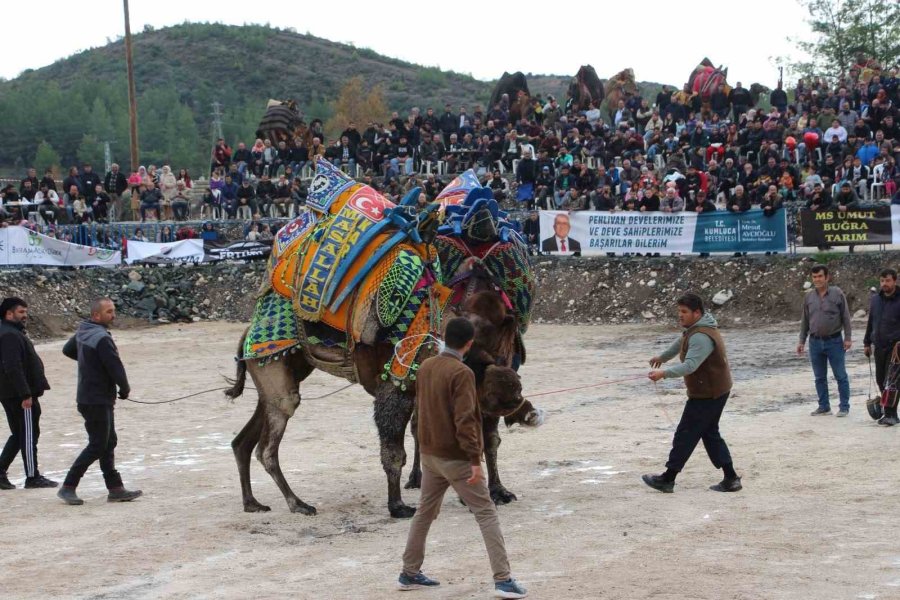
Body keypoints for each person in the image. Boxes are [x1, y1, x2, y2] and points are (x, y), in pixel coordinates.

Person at [398, 317, 527, 599]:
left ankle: (409, 572)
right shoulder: (463, 373)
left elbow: (422, 409)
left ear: (444, 337)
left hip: (430, 456)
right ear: (469, 345)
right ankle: (503, 580)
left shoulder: (426, 366)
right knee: (486, 513)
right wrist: (474, 462)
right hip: (455, 458)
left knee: (424, 513)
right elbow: (466, 420)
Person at [643, 293, 741, 494]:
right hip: (714, 390)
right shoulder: (695, 329)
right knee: (710, 434)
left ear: (697, 313)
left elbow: (690, 365)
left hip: (709, 393)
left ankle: (668, 479)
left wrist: (663, 373)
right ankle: (731, 478)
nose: (680, 315)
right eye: (679, 311)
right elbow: (680, 343)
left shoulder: (701, 336)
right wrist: (662, 357)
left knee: (686, 434)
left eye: (684, 312)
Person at [58, 298, 142, 505]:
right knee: (98, 444)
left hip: (89, 396)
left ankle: (115, 488)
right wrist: (124, 387)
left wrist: (90, 363)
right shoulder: (102, 338)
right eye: (109, 312)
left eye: (113, 310)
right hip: (97, 399)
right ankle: (68, 486)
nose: (113, 315)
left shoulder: (84, 330)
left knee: (108, 441)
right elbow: (115, 366)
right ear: (96, 315)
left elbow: (68, 350)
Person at [0, 297, 56, 490]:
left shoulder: (11, 332)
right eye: (21, 312)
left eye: (25, 312)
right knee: (28, 434)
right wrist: (25, 394)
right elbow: (12, 367)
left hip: (12, 393)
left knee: (19, 434)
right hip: (19, 396)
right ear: (9, 314)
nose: (25, 316)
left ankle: (0, 472)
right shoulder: (9, 335)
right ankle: (32, 477)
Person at [797, 265, 852, 417]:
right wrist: (801, 341)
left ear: (827, 277)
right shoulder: (809, 297)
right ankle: (824, 406)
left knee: (840, 375)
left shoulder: (837, 293)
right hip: (815, 343)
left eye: (820, 276)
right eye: (814, 277)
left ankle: (844, 407)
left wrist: (848, 338)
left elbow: (846, 317)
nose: (817, 280)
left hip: (834, 341)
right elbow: (805, 320)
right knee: (819, 377)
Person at [863, 268, 900, 426]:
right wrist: (866, 342)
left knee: (891, 382)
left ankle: (891, 414)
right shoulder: (876, 300)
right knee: (880, 379)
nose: (884, 284)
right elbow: (871, 321)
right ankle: (888, 409)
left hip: (896, 348)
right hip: (879, 346)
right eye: (882, 281)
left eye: (888, 281)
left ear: (895, 281)